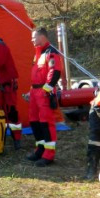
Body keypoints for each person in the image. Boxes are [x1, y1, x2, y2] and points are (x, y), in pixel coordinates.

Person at [27, 28, 62, 166]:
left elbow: (55, 72)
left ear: (42, 37)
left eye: (34, 37)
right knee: (34, 121)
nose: (32, 40)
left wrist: (46, 90)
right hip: (35, 92)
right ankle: (40, 149)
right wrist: (31, 91)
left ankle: (49, 155)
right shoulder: (38, 54)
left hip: (44, 93)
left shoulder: (51, 52)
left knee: (46, 123)